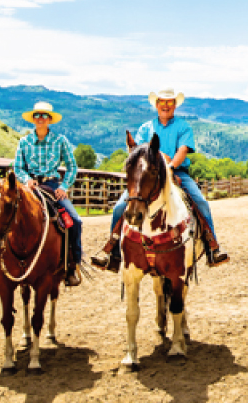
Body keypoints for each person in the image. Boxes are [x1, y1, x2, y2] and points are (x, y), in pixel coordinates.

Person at [91, 89, 228, 270]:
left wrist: (169, 167)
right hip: (148, 176)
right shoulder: (145, 128)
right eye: (162, 102)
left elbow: (182, 151)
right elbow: (137, 153)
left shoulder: (183, 127)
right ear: (156, 105)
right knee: (119, 207)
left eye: (170, 102)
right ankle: (113, 252)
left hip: (177, 172)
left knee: (201, 202)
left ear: (174, 105)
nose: (166, 106)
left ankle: (212, 247)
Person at [5, 100, 84, 287]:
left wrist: (64, 187)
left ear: (50, 119)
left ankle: (72, 265)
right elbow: (17, 167)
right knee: (3, 214)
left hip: (51, 186)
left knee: (75, 221)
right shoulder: (24, 142)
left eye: (44, 116)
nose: (40, 119)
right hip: (29, 186)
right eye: (37, 115)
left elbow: (72, 166)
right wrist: (26, 179)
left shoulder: (60, 141)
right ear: (33, 119)